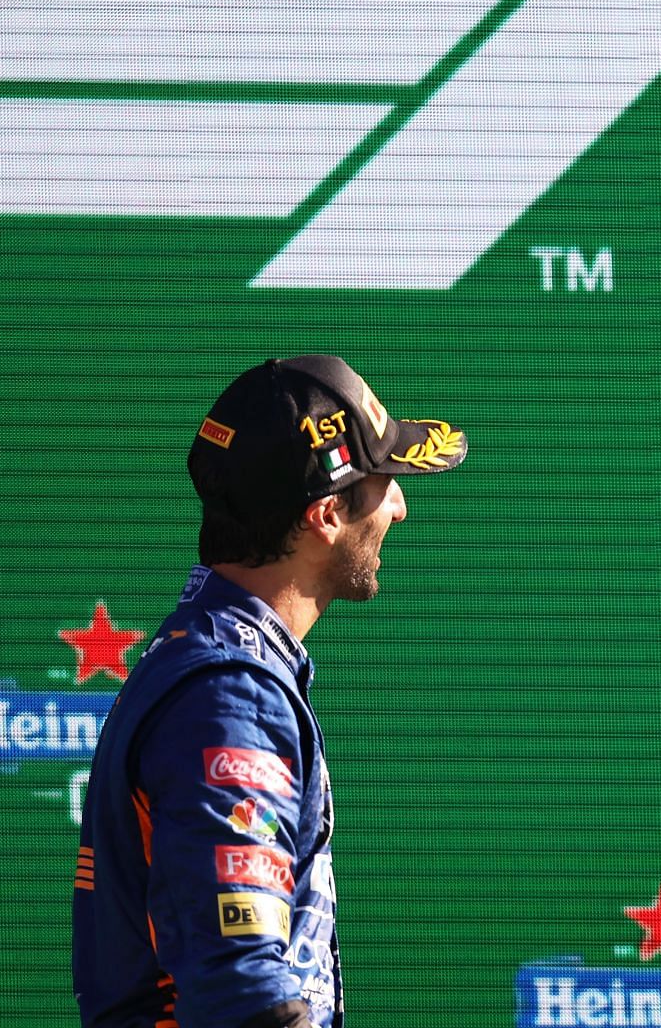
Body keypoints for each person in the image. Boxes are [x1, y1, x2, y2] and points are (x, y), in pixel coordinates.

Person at [73, 356, 468, 1028]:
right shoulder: (230, 696)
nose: (399, 506)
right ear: (325, 515)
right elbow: (243, 989)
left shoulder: (203, 657)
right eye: (385, 482)